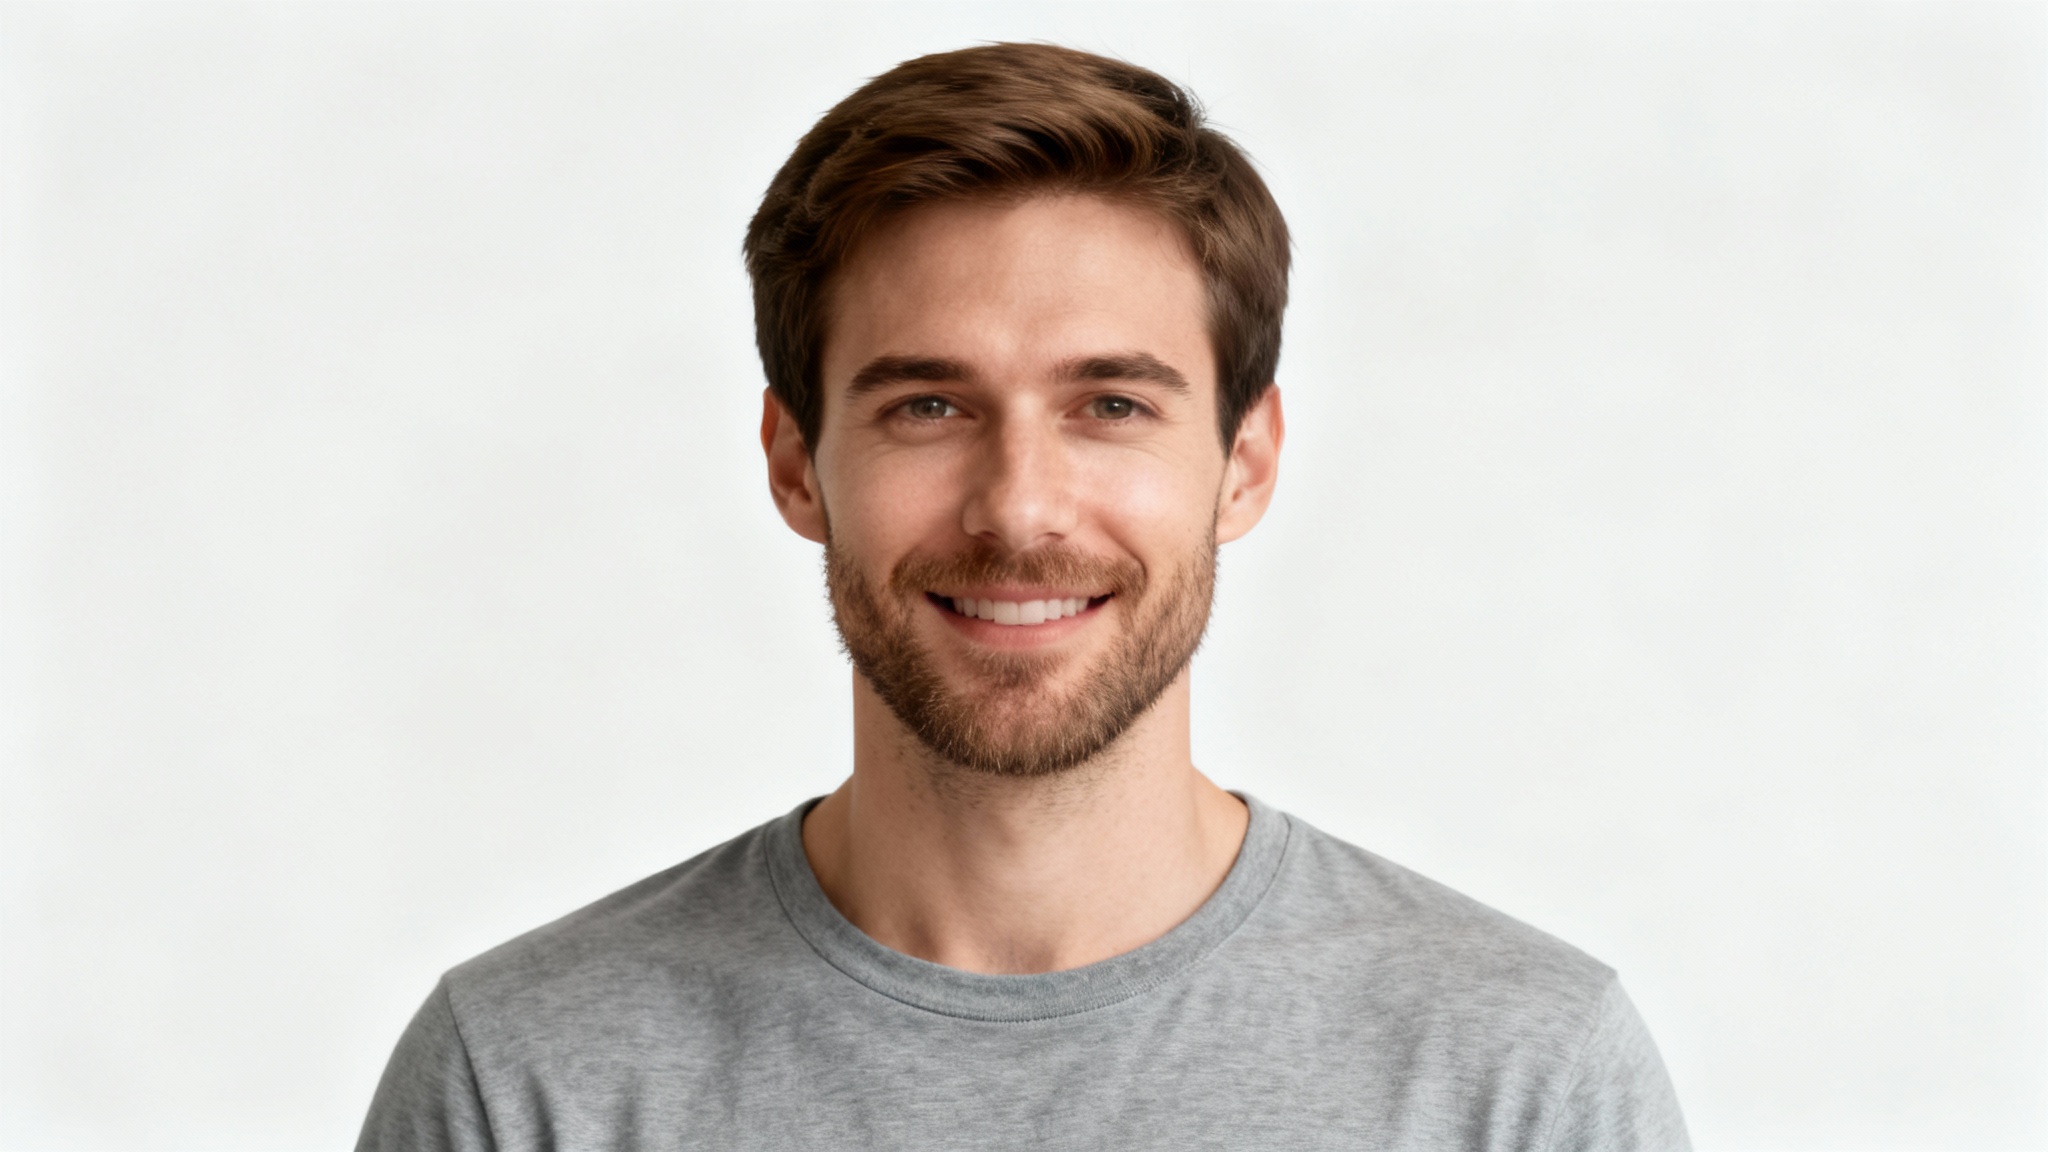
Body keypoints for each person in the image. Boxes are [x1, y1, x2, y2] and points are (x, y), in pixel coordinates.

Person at [357, 42, 1689, 1150]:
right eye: (928, 407)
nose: (1020, 508)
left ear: (1244, 463)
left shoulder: (1519, 1081)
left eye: (1110, 405)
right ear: (796, 464)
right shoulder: (525, 1082)